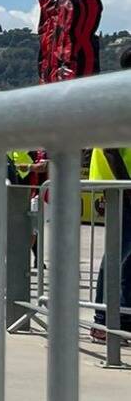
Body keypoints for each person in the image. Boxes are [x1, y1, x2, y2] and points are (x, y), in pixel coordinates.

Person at [91, 43, 131, 344]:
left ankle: (120, 318)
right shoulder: (120, 96)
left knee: (124, 253)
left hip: (121, 185)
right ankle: (106, 320)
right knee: (120, 253)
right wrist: (126, 184)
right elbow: (110, 147)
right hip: (120, 187)